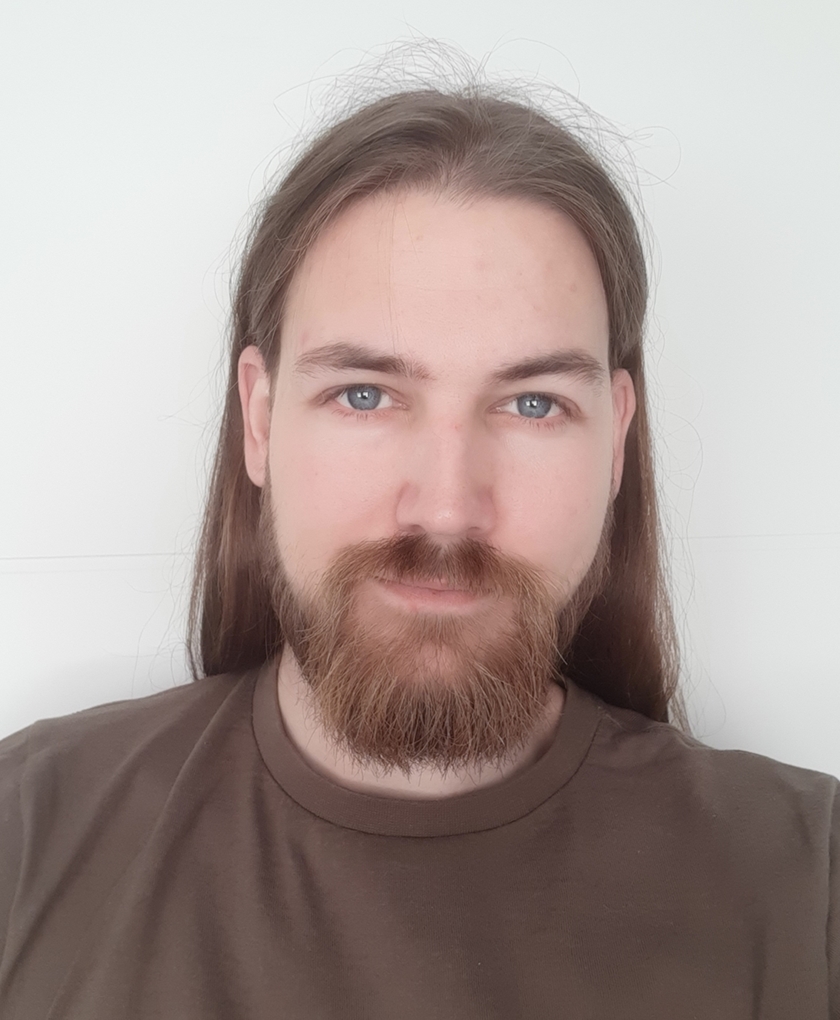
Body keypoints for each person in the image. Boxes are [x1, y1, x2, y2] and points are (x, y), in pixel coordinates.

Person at [0, 83, 837, 1019]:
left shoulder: (810, 888)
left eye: (533, 405)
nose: (446, 508)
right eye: (364, 395)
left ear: (617, 441)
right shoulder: (24, 835)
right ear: (260, 419)